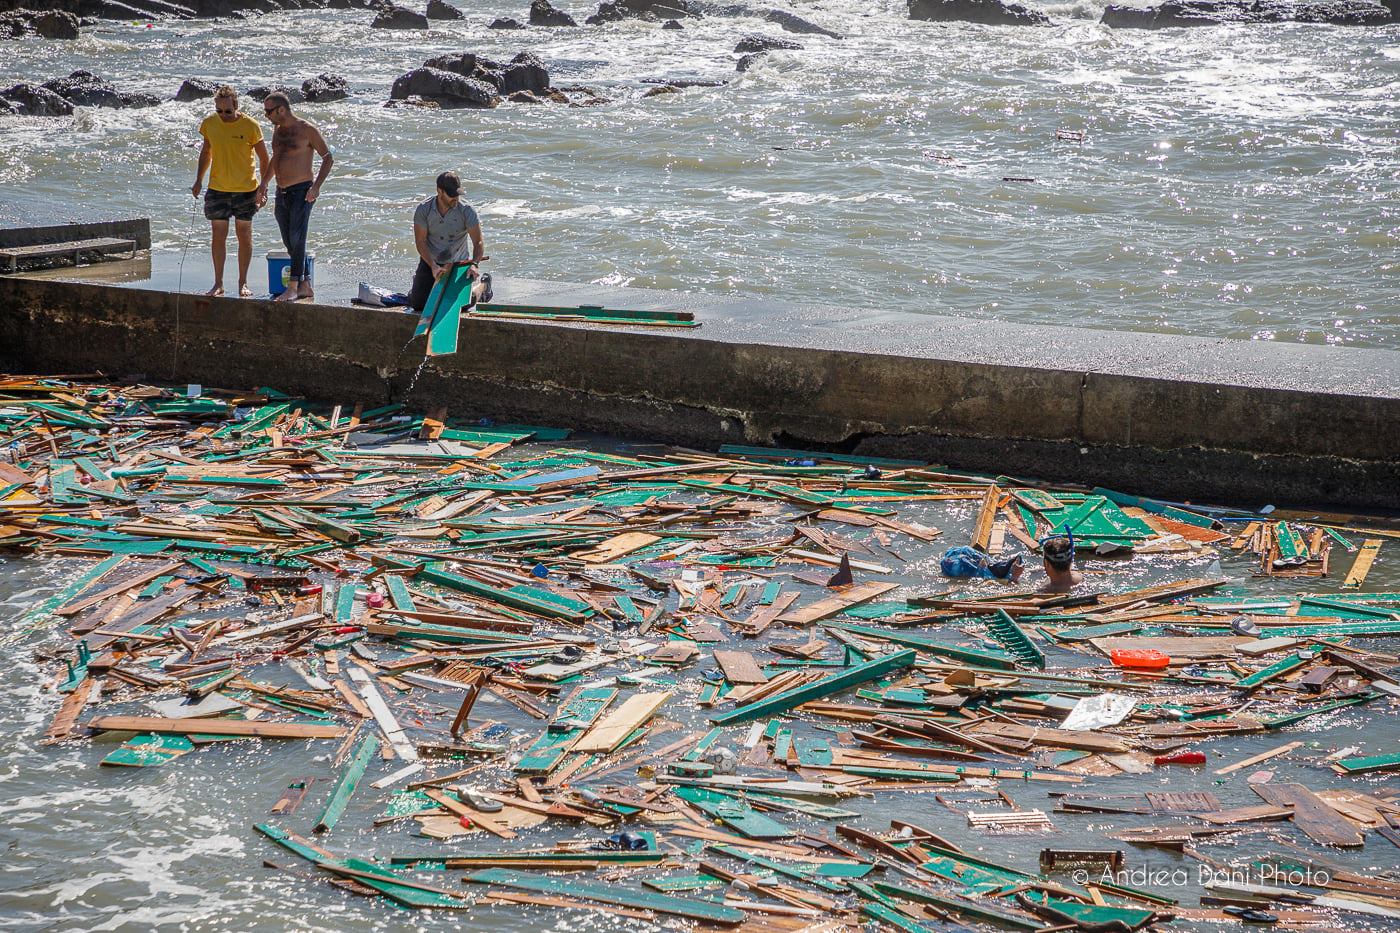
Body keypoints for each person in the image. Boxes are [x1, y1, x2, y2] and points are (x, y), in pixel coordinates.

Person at [192, 86, 270, 298]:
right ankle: (218, 283)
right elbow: (206, 152)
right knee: (218, 235)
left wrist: (263, 188)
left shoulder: (251, 126)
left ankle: (243, 282)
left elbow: (265, 159)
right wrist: (199, 179)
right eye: (219, 111)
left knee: (244, 235)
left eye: (227, 111)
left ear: (236, 106)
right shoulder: (210, 124)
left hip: (246, 189)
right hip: (217, 189)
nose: (223, 115)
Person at [263, 92, 333, 302]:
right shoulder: (277, 131)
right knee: (288, 240)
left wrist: (316, 187)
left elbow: (328, 158)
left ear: (281, 110)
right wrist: (264, 184)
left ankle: (293, 287)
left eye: (268, 111)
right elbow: (275, 159)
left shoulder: (306, 129)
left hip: (302, 190)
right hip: (281, 191)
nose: (266, 115)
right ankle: (305, 285)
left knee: (297, 237)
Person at [409, 171, 485, 314]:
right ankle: (419, 286)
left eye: (457, 194)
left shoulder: (467, 211)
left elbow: (478, 242)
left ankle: (483, 286)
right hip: (431, 261)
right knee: (418, 304)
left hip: (458, 263)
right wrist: (432, 266)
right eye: (451, 195)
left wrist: (474, 264)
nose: (455, 198)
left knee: (462, 306)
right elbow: (420, 241)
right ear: (439, 191)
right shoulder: (424, 210)